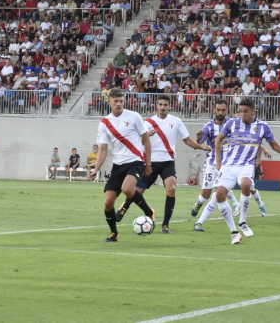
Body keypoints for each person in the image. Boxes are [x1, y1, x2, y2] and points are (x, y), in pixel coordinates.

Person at [212, 99, 280, 244]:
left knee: (246, 185)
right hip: (228, 166)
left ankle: (242, 222)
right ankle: (234, 233)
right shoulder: (232, 123)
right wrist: (219, 163)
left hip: (246, 165)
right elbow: (218, 140)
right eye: (240, 111)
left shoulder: (263, 127)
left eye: (246, 111)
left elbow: (274, 145)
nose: (242, 114)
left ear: (253, 111)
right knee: (220, 195)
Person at [121, 94, 209, 233]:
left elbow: (187, 140)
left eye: (165, 105)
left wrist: (202, 147)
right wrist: (146, 136)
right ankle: (124, 208)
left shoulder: (176, 121)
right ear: (157, 105)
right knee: (138, 191)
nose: (162, 107)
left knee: (171, 189)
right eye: (160, 105)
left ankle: (165, 225)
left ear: (170, 106)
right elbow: (137, 141)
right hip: (151, 162)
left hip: (168, 162)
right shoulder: (148, 122)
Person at [86, 88, 155, 243]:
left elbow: (147, 140)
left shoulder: (134, 116)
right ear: (109, 101)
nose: (119, 104)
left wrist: (148, 163)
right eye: (116, 101)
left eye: (121, 101)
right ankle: (114, 233)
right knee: (108, 202)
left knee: (127, 189)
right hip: (118, 165)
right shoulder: (104, 123)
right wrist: (96, 169)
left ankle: (148, 211)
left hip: (136, 161)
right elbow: (103, 149)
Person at [190, 101, 241, 225]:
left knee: (221, 188)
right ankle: (198, 204)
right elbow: (199, 144)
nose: (220, 113)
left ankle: (235, 204)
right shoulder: (208, 127)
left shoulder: (231, 124)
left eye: (223, 110)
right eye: (218, 110)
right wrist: (198, 138)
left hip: (226, 163)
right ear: (214, 110)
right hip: (211, 163)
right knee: (205, 196)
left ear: (226, 110)